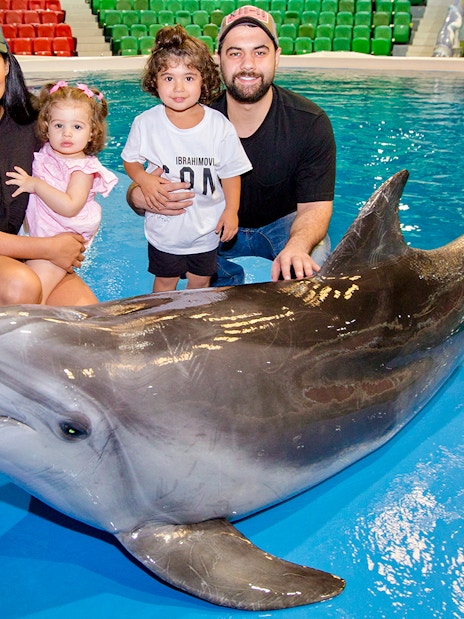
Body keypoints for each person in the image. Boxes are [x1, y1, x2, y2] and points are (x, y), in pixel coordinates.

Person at [126, 6, 336, 287]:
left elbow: (315, 207)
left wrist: (297, 247)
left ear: (277, 58)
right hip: (210, 228)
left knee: (313, 267)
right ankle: (224, 278)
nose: (248, 64)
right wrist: (144, 197)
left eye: (259, 52)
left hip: (280, 227)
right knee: (182, 266)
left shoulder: (309, 122)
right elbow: (140, 179)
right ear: (218, 60)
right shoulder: (188, 113)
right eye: (235, 53)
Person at [122, 25, 251, 292]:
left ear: (204, 80)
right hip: (164, 230)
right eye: (168, 78)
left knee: (200, 281)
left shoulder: (218, 125)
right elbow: (130, 160)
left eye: (189, 78)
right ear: (154, 81)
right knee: (165, 281)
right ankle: (157, 320)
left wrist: (231, 210)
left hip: (205, 230)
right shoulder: (146, 123)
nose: (178, 88)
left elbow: (230, 171)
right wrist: (143, 179)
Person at [0, 27, 97, 306]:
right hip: (26, 258)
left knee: (88, 319)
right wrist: (50, 248)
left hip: (25, 252)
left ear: (6, 65)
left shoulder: (29, 120)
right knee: (21, 285)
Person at [6, 81, 118, 304]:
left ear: (92, 132)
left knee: (32, 301)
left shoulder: (82, 169)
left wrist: (35, 185)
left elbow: (69, 206)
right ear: (46, 126)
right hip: (43, 236)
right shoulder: (48, 151)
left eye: (77, 127)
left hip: (61, 236)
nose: (67, 134)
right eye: (59, 126)